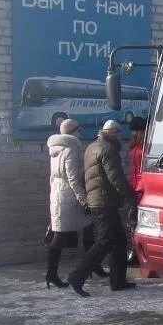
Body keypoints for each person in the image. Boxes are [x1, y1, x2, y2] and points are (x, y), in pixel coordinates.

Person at [67, 120, 137, 297]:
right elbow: (116, 178)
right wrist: (131, 197)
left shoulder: (92, 147)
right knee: (105, 242)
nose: (120, 137)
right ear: (113, 133)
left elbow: (85, 177)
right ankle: (77, 276)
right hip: (105, 202)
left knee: (119, 241)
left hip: (97, 201)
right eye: (119, 134)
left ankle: (118, 281)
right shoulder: (108, 149)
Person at [44, 119, 109, 288]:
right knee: (62, 234)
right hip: (70, 197)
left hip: (58, 194)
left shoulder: (55, 148)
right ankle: (52, 274)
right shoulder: (71, 149)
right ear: (72, 132)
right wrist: (84, 200)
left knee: (83, 228)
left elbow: (55, 177)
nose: (80, 133)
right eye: (79, 130)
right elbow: (73, 179)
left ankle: (93, 266)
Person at [127, 116, 147, 266]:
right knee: (137, 221)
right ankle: (137, 252)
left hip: (137, 187)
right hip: (139, 187)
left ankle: (135, 252)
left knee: (134, 221)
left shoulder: (137, 147)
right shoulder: (141, 147)